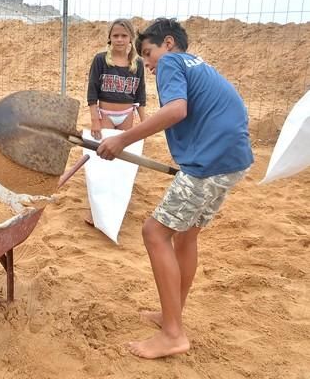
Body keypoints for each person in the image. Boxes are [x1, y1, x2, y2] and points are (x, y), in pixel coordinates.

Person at [96, 18, 254, 359]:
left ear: (168, 43)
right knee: (185, 235)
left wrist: (122, 138)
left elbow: (177, 110)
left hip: (210, 161)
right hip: (233, 158)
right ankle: (173, 315)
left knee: (154, 232)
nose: (148, 63)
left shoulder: (171, 61)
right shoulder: (197, 65)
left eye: (148, 53)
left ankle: (172, 334)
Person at [87, 18, 147, 141]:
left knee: (121, 153)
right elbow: (92, 92)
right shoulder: (100, 60)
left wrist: (144, 122)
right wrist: (94, 120)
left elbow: (140, 95)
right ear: (110, 38)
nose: (119, 39)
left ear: (130, 38)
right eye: (116, 36)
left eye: (124, 36)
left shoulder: (138, 63)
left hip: (127, 115)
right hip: (105, 115)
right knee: (104, 151)